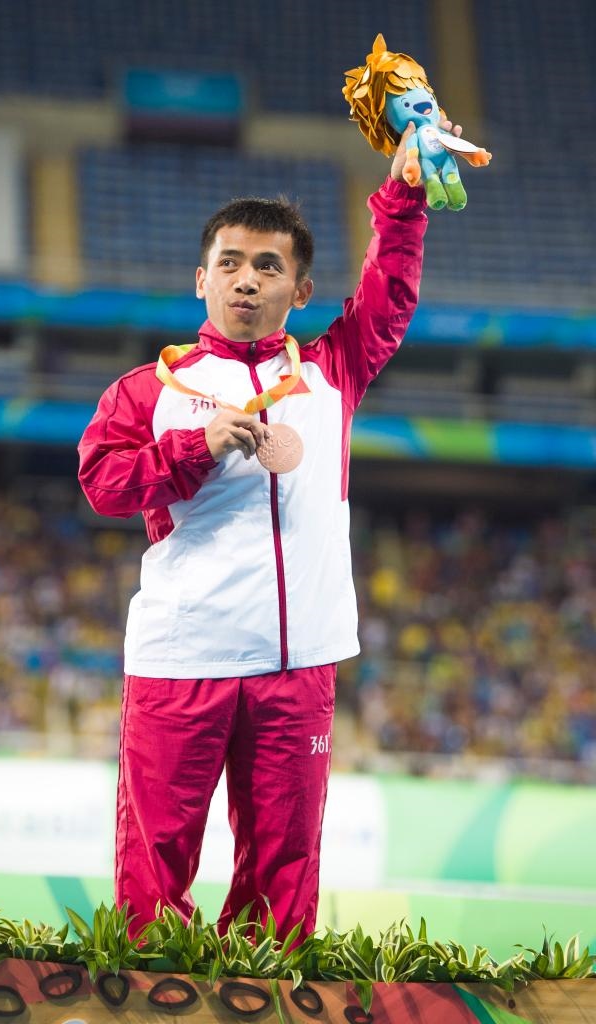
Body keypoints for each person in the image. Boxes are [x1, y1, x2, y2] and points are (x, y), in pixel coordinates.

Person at [78, 120, 459, 940]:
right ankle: (148, 991)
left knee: (284, 874)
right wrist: (196, 446)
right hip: (183, 656)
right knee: (155, 864)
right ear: (201, 280)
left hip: (298, 665)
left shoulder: (332, 373)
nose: (246, 280)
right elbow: (102, 484)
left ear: (301, 290)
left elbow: (389, 295)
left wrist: (405, 195)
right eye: (230, 263)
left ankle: (264, 997)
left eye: (268, 266)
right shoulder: (147, 391)